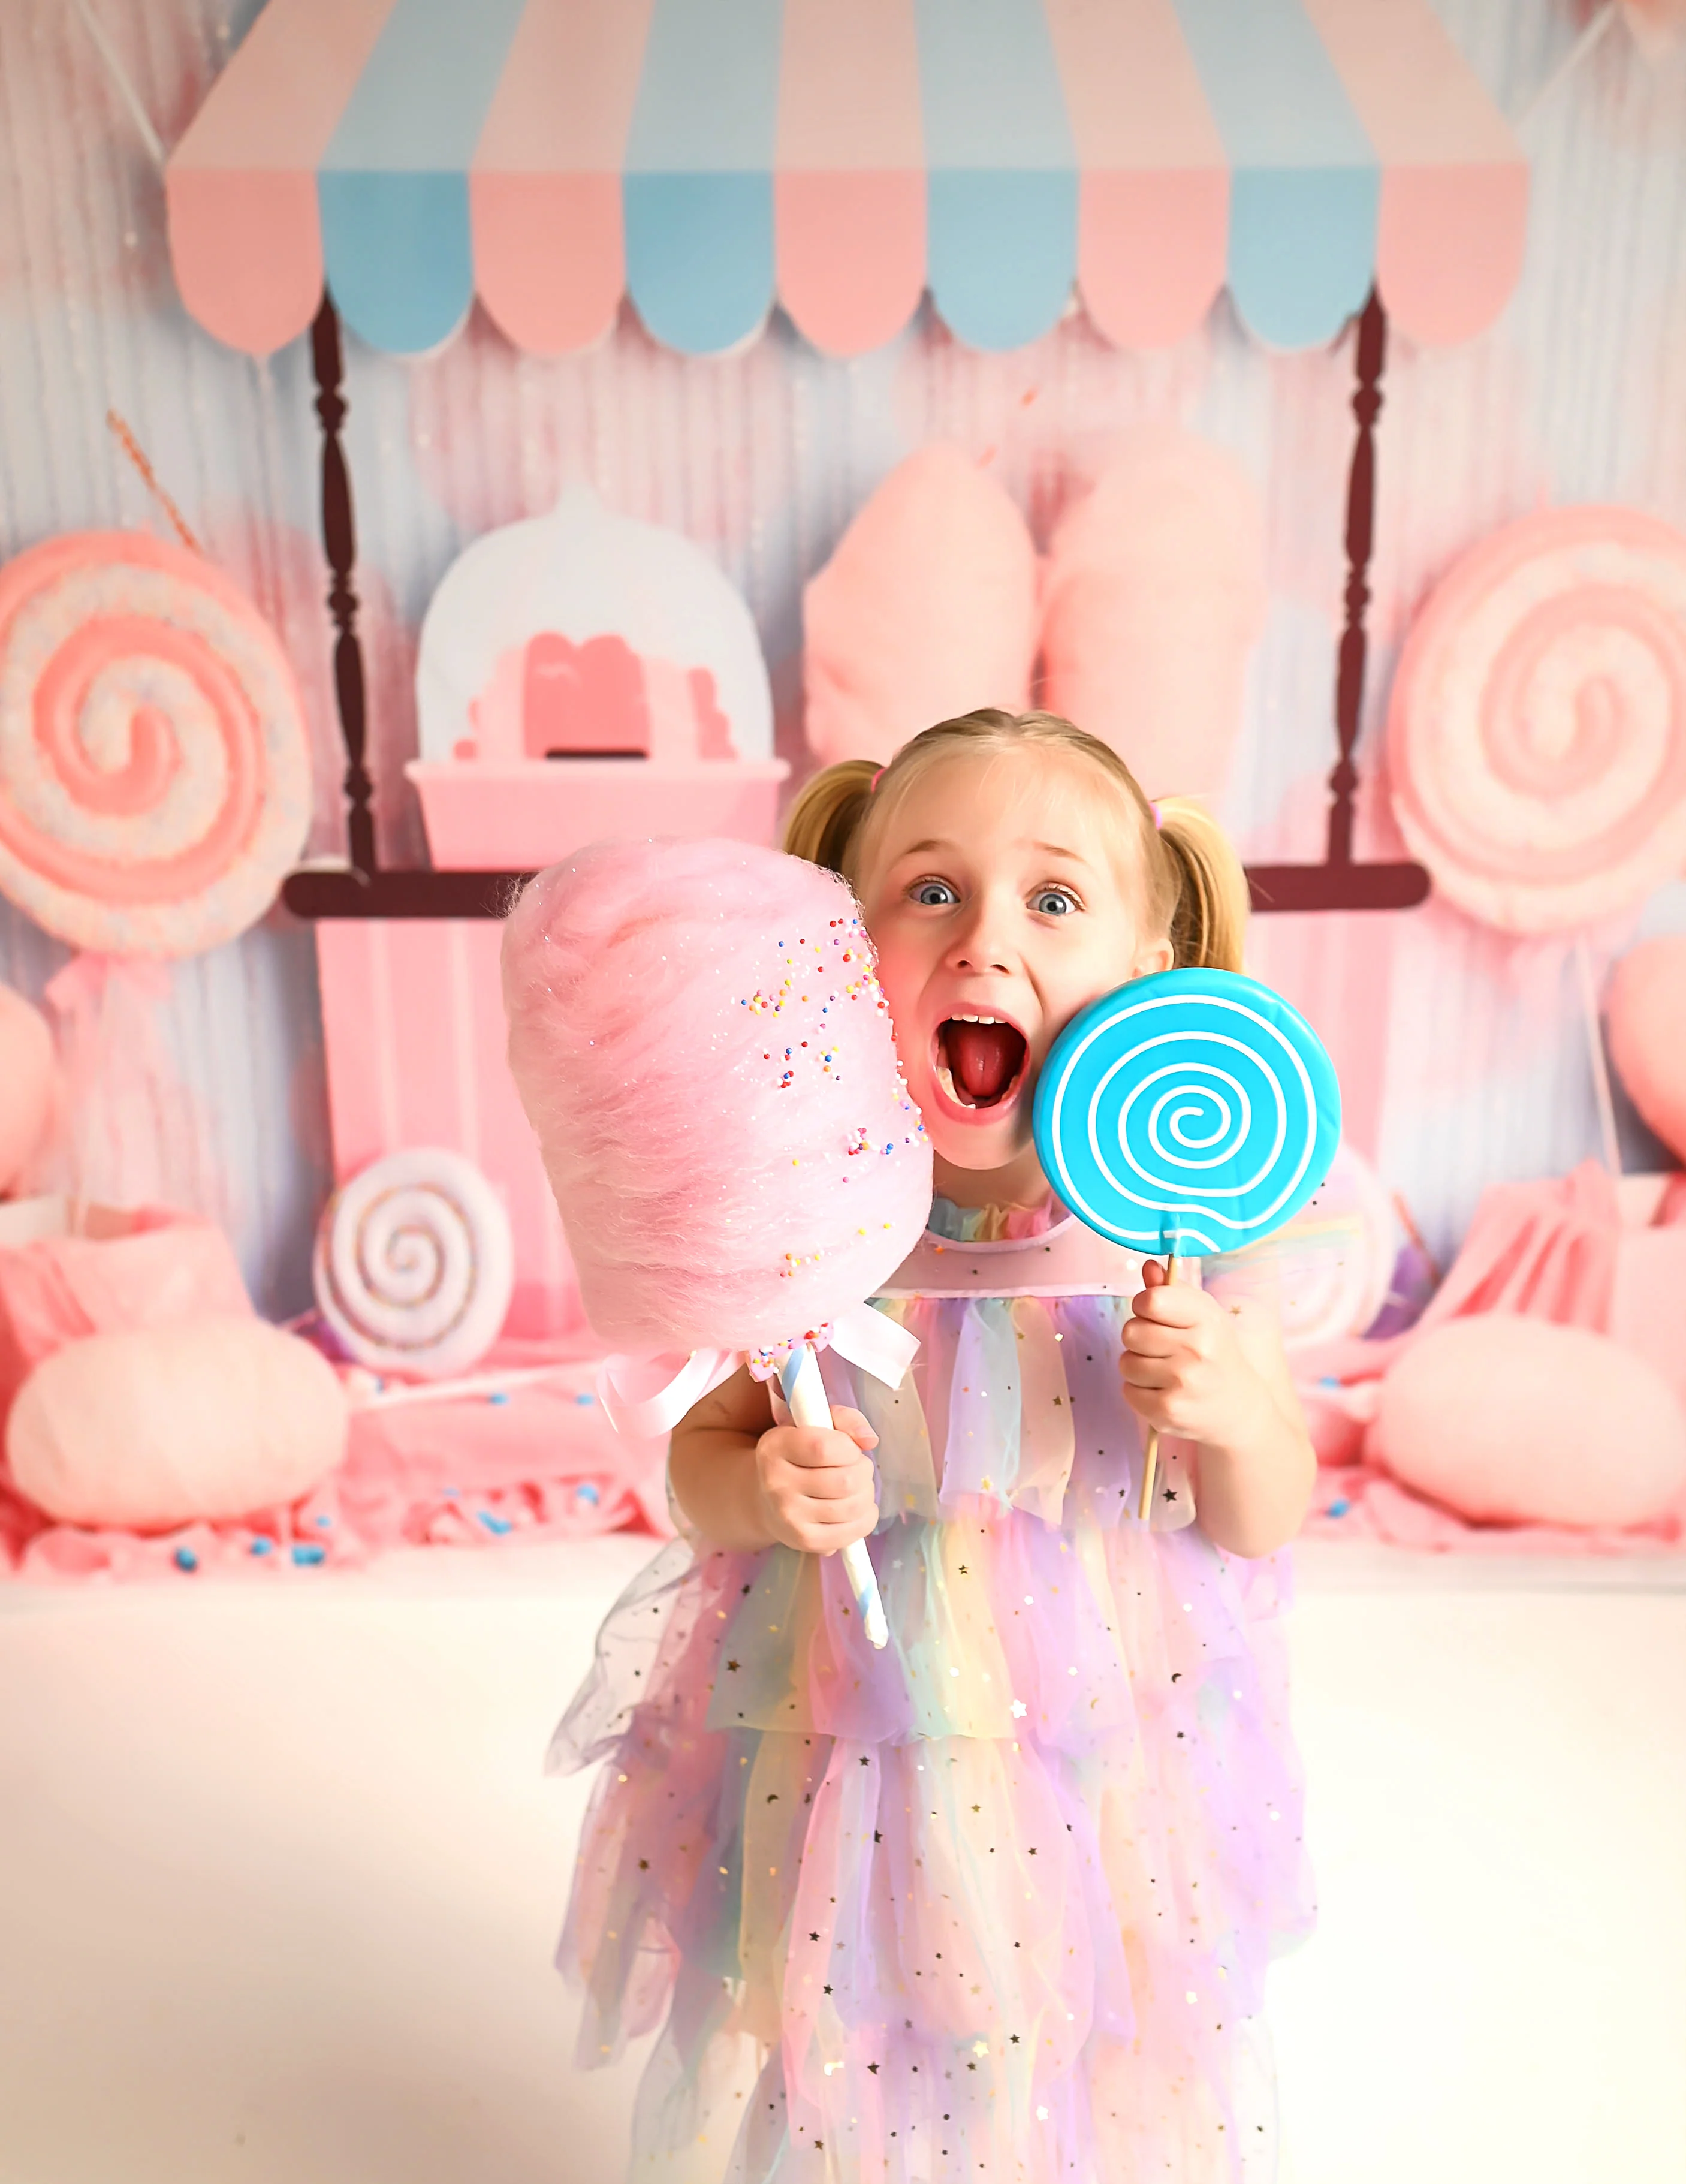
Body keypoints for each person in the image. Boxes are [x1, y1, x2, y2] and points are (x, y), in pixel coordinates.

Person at [551, 710, 1316, 2182]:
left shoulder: (1183, 1237)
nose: (981, 944)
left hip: (1095, 1743)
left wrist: (1224, 1408)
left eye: (1050, 898)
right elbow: (698, 1468)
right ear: (845, 950)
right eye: (929, 892)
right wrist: (763, 1487)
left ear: (1146, 977)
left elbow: (1258, 1518)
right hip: (842, 1732)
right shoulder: (798, 1224)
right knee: (844, 2014)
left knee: (1074, 2021)